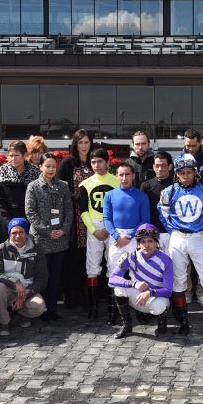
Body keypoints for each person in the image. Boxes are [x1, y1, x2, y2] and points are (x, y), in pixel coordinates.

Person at [159, 154, 203, 337]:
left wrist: (202, 229)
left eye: (189, 172)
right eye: (182, 173)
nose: (186, 176)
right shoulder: (168, 192)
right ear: (177, 174)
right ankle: (184, 322)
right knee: (179, 280)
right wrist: (173, 230)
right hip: (177, 239)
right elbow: (163, 213)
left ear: (196, 173)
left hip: (197, 238)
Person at [25, 152, 73, 320]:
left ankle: (52, 309)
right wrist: (47, 231)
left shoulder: (63, 186)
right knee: (42, 276)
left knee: (55, 275)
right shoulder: (33, 186)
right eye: (48, 166)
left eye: (54, 166)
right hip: (41, 239)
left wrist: (63, 230)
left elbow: (69, 211)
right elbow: (30, 213)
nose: (51, 169)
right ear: (40, 167)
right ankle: (41, 309)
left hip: (60, 239)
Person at [102, 162, 150, 324]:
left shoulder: (141, 196)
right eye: (121, 175)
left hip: (134, 237)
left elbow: (145, 220)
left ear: (133, 176)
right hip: (115, 238)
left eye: (127, 174)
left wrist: (129, 236)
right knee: (114, 273)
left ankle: (140, 308)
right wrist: (116, 236)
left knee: (136, 272)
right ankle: (115, 311)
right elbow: (106, 219)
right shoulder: (110, 195)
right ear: (116, 176)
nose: (124, 178)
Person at [108, 224, 175, 339]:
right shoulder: (130, 256)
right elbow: (112, 278)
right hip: (138, 297)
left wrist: (150, 292)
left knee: (160, 305)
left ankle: (162, 323)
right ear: (138, 243)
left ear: (156, 242)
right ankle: (127, 326)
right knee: (118, 289)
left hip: (155, 298)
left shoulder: (165, 260)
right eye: (143, 241)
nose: (146, 245)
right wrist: (134, 283)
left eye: (150, 241)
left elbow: (168, 291)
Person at [77, 148, 120, 318]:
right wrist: (93, 230)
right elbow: (83, 210)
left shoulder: (117, 181)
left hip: (112, 227)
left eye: (100, 161)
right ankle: (93, 307)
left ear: (107, 162)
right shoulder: (85, 184)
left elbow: (120, 207)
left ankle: (113, 306)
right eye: (93, 162)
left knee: (113, 265)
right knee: (92, 267)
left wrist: (110, 228)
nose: (96, 165)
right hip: (93, 227)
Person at [56, 129, 95, 306]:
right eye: (81, 142)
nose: (84, 146)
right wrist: (75, 196)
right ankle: (72, 293)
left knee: (92, 254)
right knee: (74, 256)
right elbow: (59, 187)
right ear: (75, 144)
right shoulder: (68, 163)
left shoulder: (95, 161)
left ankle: (91, 292)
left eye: (87, 142)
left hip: (94, 215)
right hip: (75, 216)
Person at [0, 218, 48, 336]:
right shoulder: (0, 249)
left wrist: (24, 294)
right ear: (9, 234)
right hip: (8, 288)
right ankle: (4, 322)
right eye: (14, 233)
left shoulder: (36, 250)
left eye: (21, 232)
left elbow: (42, 279)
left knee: (39, 307)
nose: (17, 236)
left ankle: (23, 314)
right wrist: (15, 283)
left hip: (27, 289)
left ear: (26, 233)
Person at [0, 140, 41, 233]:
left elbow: (40, 198)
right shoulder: (3, 171)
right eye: (11, 155)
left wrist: (35, 221)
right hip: (8, 219)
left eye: (16, 155)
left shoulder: (35, 172)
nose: (13, 159)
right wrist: (7, 222)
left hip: (30, 220)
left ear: (24, 156)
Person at [140, 151, 174, 250]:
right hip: (153, 233)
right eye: (157, 165)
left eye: (163, 165)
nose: (160, 169)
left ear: (170, 167)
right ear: (153, 166)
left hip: (173, 233)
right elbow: (142, 211)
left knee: (174, 264)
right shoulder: (146, 186)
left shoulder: (177, 186)